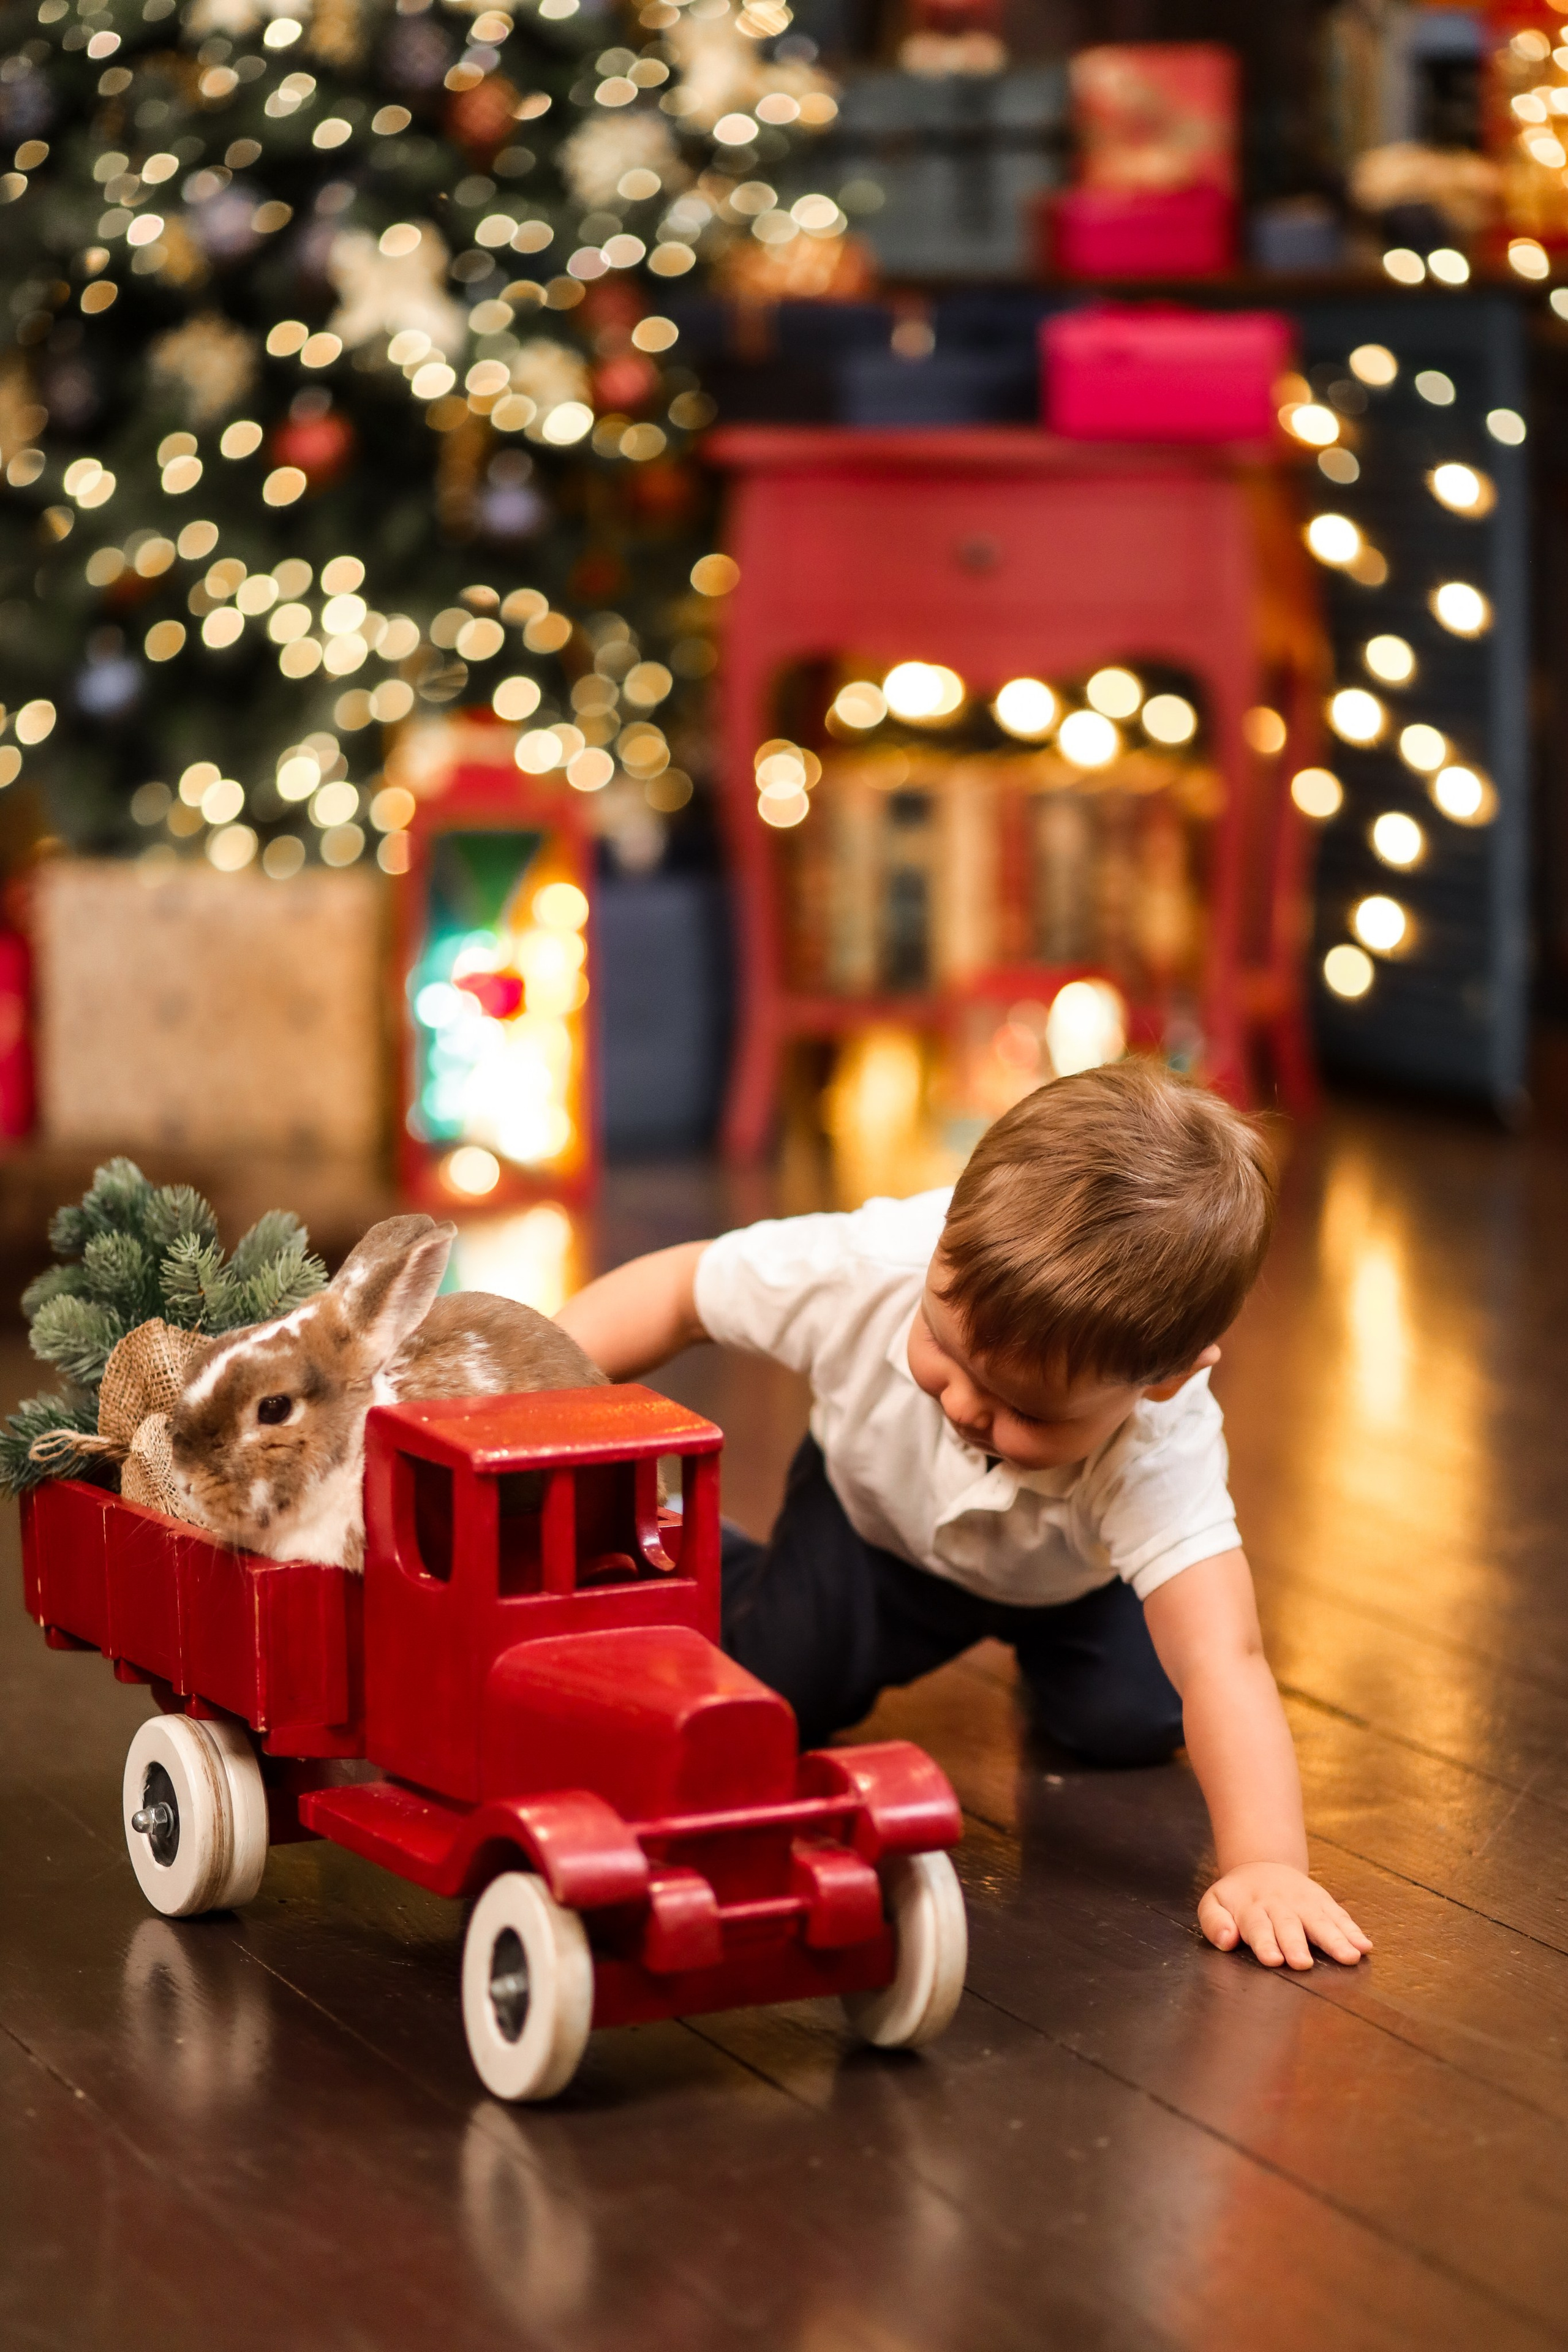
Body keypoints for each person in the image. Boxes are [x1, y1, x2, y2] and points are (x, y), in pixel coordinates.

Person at [556, 1060, 1370, 1974]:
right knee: (768, 1696)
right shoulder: (865, 1267)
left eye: (1031, 1411)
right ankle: (731, 1563)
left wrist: (1267, 1865)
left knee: (1132, 1725)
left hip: (1075, 1581)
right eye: (942, 1350)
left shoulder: (1159, 1445)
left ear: (1167, 1378)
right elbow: (678, 1294)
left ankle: (1062, 1661)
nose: (967, 1409)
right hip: (869, 1530)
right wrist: (526, 1391)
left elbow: (1226, 1657)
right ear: (944, 1236)